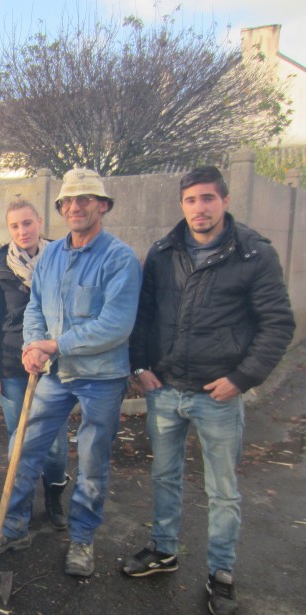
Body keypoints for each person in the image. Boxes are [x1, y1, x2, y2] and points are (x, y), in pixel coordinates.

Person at [121, 166, 295, 615]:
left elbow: (278, 324)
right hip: (165, 389)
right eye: (191, 200)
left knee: (222, 490)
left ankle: (221, 572)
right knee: (164, 476)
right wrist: (139, 365)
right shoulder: (163, 252)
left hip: (217, 395)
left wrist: (241, 378)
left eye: (208, 199)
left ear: (225, 201)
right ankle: (164, 549)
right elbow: (143, 315)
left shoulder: (254, 254)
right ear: (182, 205)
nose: (200, 208)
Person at [0, 168, 141, 579]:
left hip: (101, 377)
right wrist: (33, 346)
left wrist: (54, 345)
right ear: (61, 208)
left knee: (93, 459)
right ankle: (13, 528)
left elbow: (115, 325)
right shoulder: (51, 257)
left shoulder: (120, 259)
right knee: (21, 446)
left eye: (86, 199)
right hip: (56, 374)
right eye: (69, 200)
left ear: (102, 205)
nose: (76, 206)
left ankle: (82, 540)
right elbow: (35, 309)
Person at [0, 198, 71, 530]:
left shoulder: (63, 258)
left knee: (56, 442)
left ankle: (53, 498)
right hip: (11, 365)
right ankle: (18, 507)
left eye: (28, 223)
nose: (23, 231)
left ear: (40, 221)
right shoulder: (0, 265)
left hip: (55, 366)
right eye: (15, 226)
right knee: (18, 437)